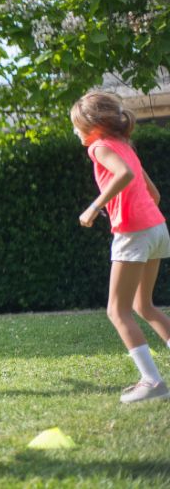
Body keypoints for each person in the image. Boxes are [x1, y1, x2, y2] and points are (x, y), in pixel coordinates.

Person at [71, 91, 170, 404]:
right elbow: (152, 194)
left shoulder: (99, 147)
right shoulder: (124, 146)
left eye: (77, 126)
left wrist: (95, 207)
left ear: (93, 125)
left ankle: (153, 381)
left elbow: (125, 175)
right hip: (156, 227)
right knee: (144, 305)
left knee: (117, 310)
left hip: (135, 231)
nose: (75, 132)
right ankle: (152, 379)